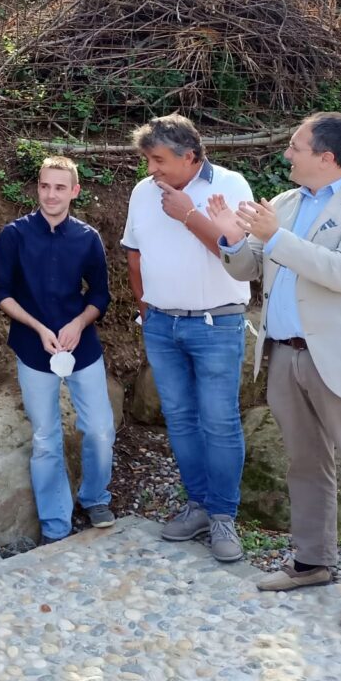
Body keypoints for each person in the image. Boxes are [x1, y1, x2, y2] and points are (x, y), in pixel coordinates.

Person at [208, 112, 341, 627]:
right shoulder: (285, 204)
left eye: (295, 146)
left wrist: (274, 239)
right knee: (304, 464)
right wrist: (230, 239)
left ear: (327, 155)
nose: (286, 155)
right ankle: (312, 562)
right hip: (286, 356)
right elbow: (251, 267)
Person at [120, 114, 253, 563]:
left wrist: (189, 215)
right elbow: (134, 253)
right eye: (147, 160)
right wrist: (146, 308)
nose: (151, 169)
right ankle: (197, 505)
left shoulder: (232, 186)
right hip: (161, 324)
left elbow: (236, 256)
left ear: (190, 156)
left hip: (217, 324)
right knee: (179, 419)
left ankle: (222, 516)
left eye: (158, 160)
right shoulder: (142, 192)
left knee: (219, 421)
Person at [0, 156, 115, 545]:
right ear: (37, 187)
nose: (51, 194)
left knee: (99, 429)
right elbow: (0, 293)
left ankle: (95, 497)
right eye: (45, 186)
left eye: (60, 187)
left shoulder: (88, 238)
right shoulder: (14, 235)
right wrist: (39, 328)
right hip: (33, 346)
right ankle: (55, 525)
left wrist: (79, 324)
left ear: (74, 191)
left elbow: (99, 296)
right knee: (46, 438)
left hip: (82, 347)